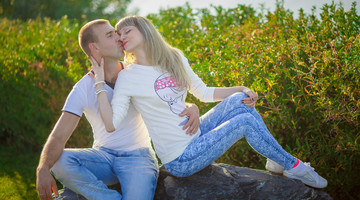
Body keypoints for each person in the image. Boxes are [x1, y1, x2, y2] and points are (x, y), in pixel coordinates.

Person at [91, 16, 328, 189]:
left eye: (126, 31)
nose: (121, 38)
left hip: (196, 134)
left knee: (239, 101)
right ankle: (295, 167)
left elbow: (203, 92)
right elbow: (111, 123)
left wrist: (241, 88)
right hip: (180, 158)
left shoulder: (173, 57)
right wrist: (99, 84)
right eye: (118, 34)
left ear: (144, 30)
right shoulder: (128, 77)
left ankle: (278, 161)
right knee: (244, 121)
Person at [36, 19, 201, 200]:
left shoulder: (135, 73)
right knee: (59, 161)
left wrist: (190, 106)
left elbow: (164, 100)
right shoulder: (82, 88)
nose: (118, 37)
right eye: (110, 35)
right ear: (95, 47)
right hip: (102, 158)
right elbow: (58, 136)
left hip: (139, 159)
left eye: (116, 32)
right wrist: (42, 169)